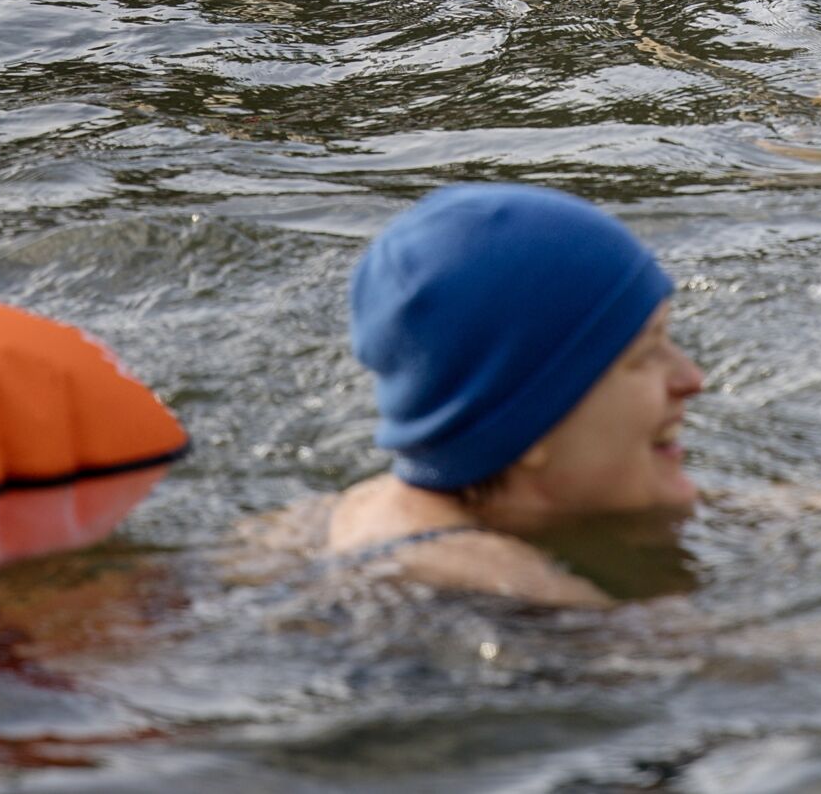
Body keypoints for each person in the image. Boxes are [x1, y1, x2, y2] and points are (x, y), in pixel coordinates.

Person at [251, 183, 704, 608]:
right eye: (644, 354)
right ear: (530, 426)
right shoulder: (503, 594)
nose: (692, 378)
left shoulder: (330, 521)